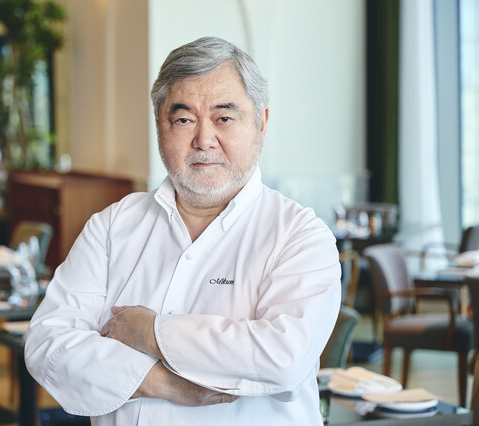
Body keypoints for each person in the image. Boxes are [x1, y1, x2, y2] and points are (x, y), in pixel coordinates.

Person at [25, 36, 341, 425]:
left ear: (261, 123)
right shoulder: (112, 226)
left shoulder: (300, 235)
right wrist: (159, 383)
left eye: (224, 118)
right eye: (183, 119)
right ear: (160, 125)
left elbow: (282, 358)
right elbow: (48, 343)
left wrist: (149, 332)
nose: (204, 139)